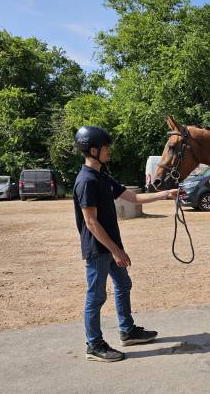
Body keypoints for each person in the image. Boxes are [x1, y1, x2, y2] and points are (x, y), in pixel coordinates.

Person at [73, 126, 177, 362]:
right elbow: (91, 222)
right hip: (99, 249)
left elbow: (134, 198)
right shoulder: (86, 181)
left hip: (110, 247)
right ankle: (94, 344)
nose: (109, 151)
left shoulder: (102, 177)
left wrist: (166, 194)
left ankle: (127, 331)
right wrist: (116, 250)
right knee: (96, 296)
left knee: (123, 284)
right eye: (106, 147)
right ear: (93, 150)